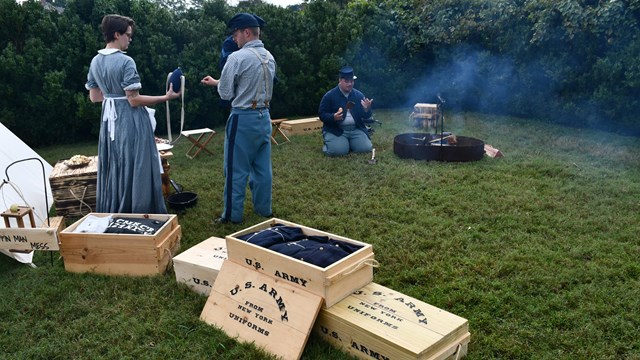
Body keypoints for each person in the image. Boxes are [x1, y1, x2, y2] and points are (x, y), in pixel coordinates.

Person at [86, 14, 180, 214]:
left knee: (116, 164)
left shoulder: (95, 61)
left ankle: (117, 209)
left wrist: (113, 96)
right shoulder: (126, 61)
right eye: (128, 35)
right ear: (117, 34)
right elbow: (133, 100)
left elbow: (94, 97)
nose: (130, 39)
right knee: (137, 163)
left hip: (109, 121)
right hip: (129, 120)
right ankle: (140, 210)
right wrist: (166, 97)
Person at [201, 13, 276, 224]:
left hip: (242, 119)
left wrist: (219, 83)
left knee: (235, 170)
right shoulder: (269, 57)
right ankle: (264, 209)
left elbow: (226, 93)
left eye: (235, 34)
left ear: (246, 32)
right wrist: (218, 81)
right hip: (264, 117)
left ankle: (232, 216)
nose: (234, 39)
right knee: (262, 169)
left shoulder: (237, 57)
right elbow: (247, 86)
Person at [318, 66, 374, 156]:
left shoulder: (358, 95)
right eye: (346, 81)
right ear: (340, 81)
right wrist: (333, 117)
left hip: (355, 129)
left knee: (365, 148)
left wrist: (366, 109)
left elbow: (366, 116)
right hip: (336, 129)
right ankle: (329, 145)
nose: (350, 84)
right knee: (339, 152)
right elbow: (322, 114)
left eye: (351, 81)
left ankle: (349, 143)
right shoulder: (329, 96)